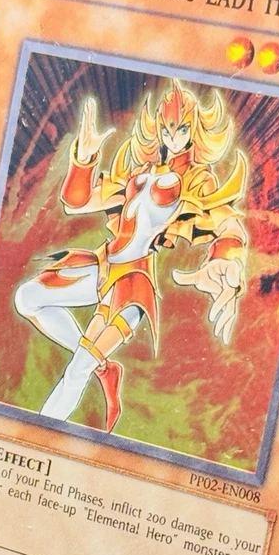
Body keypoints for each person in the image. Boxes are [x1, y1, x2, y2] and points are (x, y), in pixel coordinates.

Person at [15, 79, 248, 430]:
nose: (173, 137)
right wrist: (84, 158)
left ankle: (37, 435)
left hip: (132, 287)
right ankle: (104, 367)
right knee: (27, 297)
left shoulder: (196, 182)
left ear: (194, 132)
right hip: (102, 266)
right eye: (167, 129)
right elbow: (77, 202)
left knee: (76, 371)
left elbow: (227, 223)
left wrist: (226, 259)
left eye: (181, 129)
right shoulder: (139, 174)